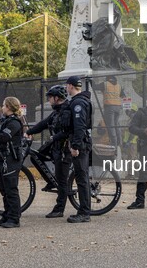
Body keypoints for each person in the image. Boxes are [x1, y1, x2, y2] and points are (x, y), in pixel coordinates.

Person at [25, 85, 72, 218]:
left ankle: (59, 209)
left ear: (57, 98)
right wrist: (28, 131)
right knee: (35, 156)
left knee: (62, 180)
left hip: (64, 149)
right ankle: (51, 182)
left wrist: (54, 137)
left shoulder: (66, 111)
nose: (49, 100)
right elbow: (44, 123)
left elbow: (67, 131)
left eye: (50, 97)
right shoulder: (57, 111)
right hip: (55, 146)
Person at [0, 97, 24, 228]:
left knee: (11, 189)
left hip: (11, 160)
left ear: (9, 107)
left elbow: (5, 137)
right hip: (3, 159)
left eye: (4, 105)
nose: (2, 108)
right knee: (4, 189)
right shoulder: (6, 121)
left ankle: (14, 218)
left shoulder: (14, 122)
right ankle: (7, 214)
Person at [65, 75, 93, 223]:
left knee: (82, 179)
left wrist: (75, 146)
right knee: (82, 178)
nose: (66, 89)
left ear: (70, 86)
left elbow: (79, 126)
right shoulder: (82, 101)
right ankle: (84, 210)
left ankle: (84, 212)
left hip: (80, 144)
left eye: (67, 86)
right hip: (82, 142)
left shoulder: (78, 104)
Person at [95, 75, 124, 148]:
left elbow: (95, 87)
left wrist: (90, 80)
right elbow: (123, 96)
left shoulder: (105, 84)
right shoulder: (119, 86)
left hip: (109, 107)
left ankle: (113, 143)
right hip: (118, 107)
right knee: (116, 124)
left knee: (110, 126)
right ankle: (119, 142)